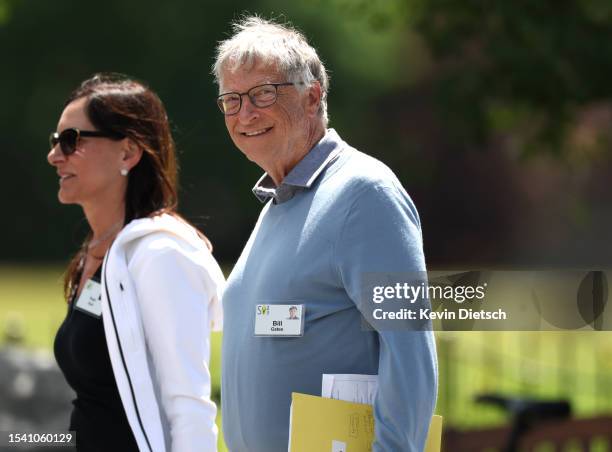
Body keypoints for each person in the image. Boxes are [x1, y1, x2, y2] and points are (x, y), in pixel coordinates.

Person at [214, 17, 438, 452]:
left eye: (262, 93)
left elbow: (411, 353)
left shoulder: (363, 192)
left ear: (312, 96)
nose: (246, 113)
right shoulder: (279, 205)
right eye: (231, 99)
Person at [49, 73, 224, 452]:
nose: (54, 155)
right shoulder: (98, 254)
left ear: (128, 153)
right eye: (55, 141)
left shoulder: (160, 255)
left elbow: (190, 406)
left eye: (70, 141)